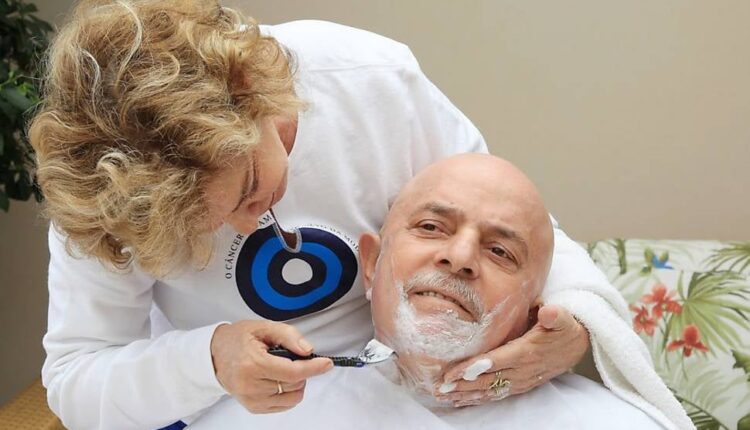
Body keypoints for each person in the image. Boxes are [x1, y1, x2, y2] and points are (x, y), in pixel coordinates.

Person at [28, 1, 692, 429]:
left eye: (251, 187)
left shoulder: (367, 80)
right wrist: (208, 359)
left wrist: (577, 324)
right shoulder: (104, 194)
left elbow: (504, 219)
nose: (248, 224)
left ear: (251, 92)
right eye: (202, 228)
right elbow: (78, 378)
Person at [185, 153, 666, 429]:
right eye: (432, 227)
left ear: (531, 311)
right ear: (371, 265)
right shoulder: (261, 418)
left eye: (500, 252)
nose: (460, 257)